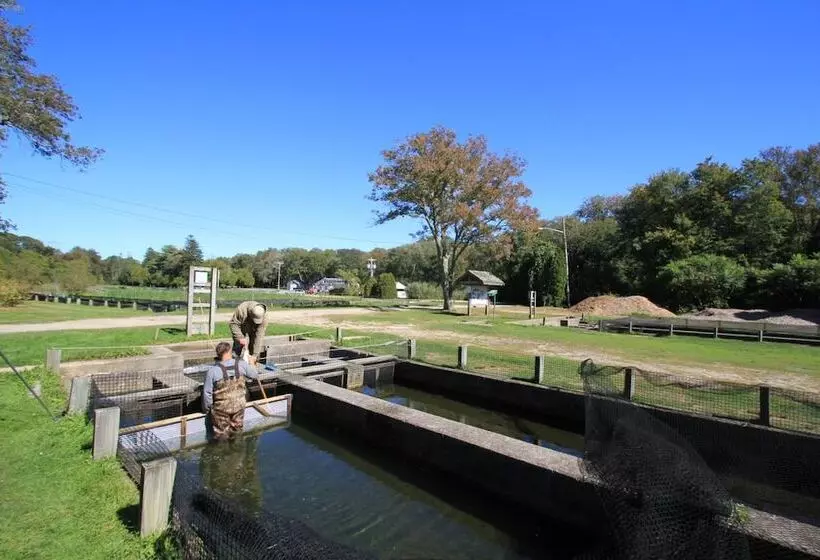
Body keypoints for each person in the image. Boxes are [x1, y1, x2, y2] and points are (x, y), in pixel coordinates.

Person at [203, 341, 259, 440]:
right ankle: (237, 452)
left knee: (221, 436)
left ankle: (222, 452)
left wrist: (207, 410)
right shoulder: (242, 364)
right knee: (237, 433)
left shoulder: (212, 371)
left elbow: (207, 394)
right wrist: (251, 363)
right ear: (229, 351)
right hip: (239, 407)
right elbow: (254, 375)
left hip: (220, 410)